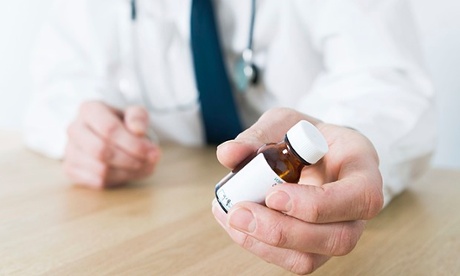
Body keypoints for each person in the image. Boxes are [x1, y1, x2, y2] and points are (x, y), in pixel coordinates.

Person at [23, 0, 435, 274]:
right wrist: (85, 130)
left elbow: (385, 79)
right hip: (156, 204)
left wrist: (350, 137)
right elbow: (55, 83)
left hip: (280, 221)